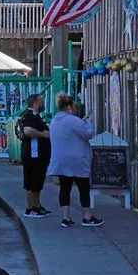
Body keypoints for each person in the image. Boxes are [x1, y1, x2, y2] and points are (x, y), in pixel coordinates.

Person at [48, 93, 104, 227]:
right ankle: (87, 216)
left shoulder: (54, 120)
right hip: (77, 160)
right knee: (83, 188)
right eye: (73, 105)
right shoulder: (73, 120)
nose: (75, 107)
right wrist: (89, 123)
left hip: (61, 161)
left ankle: (65, 218)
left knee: (64, 188)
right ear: (69, 106)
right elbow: (88, 134)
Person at [16, 94, 51, 218]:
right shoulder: (30, 116)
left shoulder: (35, 116)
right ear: (35, 103)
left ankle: (37, 205)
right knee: (31, 182)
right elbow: (28, 131)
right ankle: (31, 208)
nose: (43, 103)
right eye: (41, 101)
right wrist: (44, 134)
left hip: (38, 155)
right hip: (33, 154)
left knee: (37, 182)